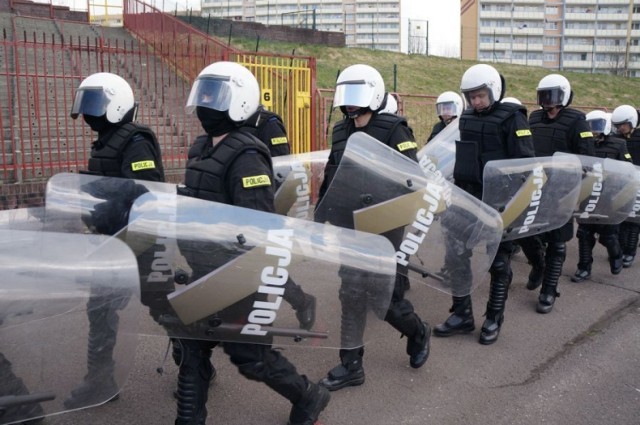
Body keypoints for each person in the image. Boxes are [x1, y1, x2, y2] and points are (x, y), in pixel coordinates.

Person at [174, 61, 329, 425]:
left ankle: (308, 395)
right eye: (205, 94)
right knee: (192, 351)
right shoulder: (202, 149)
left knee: (250, 358)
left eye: (215, 95)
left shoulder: (246, 156)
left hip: (237, 277)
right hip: (202, 270)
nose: (206, 104)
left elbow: (259, 226)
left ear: (239, 101)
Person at [315, 63, 431, 391]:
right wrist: (321, 212)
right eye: (346, 95)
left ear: (374, 94)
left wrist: (381, 195)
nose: (350, 103)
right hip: (349, 225)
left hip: (384, 226)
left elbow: (414, 178)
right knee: (350, 294)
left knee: (384, 302)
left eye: (357, 95)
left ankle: (418, 331)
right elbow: (331, 174)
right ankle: (351, 365)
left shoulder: (395, 128)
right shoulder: (340, 130)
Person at [64, 72, 165, 409]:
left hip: (140, 243)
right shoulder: (107, 140)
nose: (90, 114)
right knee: (100, 310)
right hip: (110, 243)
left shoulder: (135, 141)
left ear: (117, 104)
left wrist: (114, 215)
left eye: (96, 104)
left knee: (166, 307)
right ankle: (100, 379)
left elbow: (146, 195)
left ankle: (195, 360)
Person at [432, 63, 535, 345]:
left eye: (480, 95)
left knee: (498, 263)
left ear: (494, 90)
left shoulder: (513, 118)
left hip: (500, 201)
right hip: (467, 196)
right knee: (455, 254)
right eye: (471, 96)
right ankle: (462, 314)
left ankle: (493, 318)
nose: (475, 101)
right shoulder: (465, 119)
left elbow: (524, 164)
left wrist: (511, 203)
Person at [519, 73, 595, 313]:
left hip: (562, 189)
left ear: (564, 95)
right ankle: (538, 266)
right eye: (543, 96)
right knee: (526, 234)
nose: (547, 101)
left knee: (557, 243)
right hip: (535, 186)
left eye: (552, 95)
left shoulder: (577, 120)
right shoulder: (534, 117)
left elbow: (587, 157)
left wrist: (576, 186)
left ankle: (549, 290)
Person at [571, 110, 629, 282]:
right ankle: (584, 268)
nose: (593, 130)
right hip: (587, 195)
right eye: (590, 126)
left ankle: (616, 255)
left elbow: (628, 170)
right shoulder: (583, 145)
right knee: (584, 233)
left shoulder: (618, 144)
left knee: (608, 235)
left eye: (596, 125)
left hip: (608, 198)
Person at [611, 104, 640, 267]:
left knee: (633, 221)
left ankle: (630, 252)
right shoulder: (616, 139)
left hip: (638, 182)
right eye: (617, 125)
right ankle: (620, 249)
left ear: (631, 122)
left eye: (622, 124)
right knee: (620, 219)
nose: (619, 128)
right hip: (621, 182)